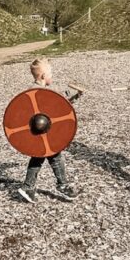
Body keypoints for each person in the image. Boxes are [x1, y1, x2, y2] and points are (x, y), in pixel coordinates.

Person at [17, 57, 83, 203]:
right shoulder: (37, 92)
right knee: (54, 156)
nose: (52, 76)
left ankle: (28, 186)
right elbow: (53, 104)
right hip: (41, 133)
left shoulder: (36, 91)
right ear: (43, 76)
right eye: (51, 73)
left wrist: (75, 96)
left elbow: (57, 106)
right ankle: (63, 185)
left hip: (40, 134)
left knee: (38, 157)